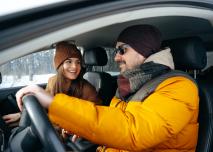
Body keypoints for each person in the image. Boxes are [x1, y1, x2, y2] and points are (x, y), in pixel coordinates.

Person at [16, 25, 199, 152]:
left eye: (122, 50)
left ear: (143, 49)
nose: (117, 58)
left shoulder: (179, 86)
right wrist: (79, 127)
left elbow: (133, 131)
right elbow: (114, 122)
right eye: (116, 51)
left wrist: (53, 103)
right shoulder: (130, 84)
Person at [3, 41, 101, 129]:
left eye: (78, 62)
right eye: (69, 61)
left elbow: (97, 119)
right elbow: (44, 107)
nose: (75, 66)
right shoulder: (52, 81)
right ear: (59, 65)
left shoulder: (87, 89)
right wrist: (22, 115)